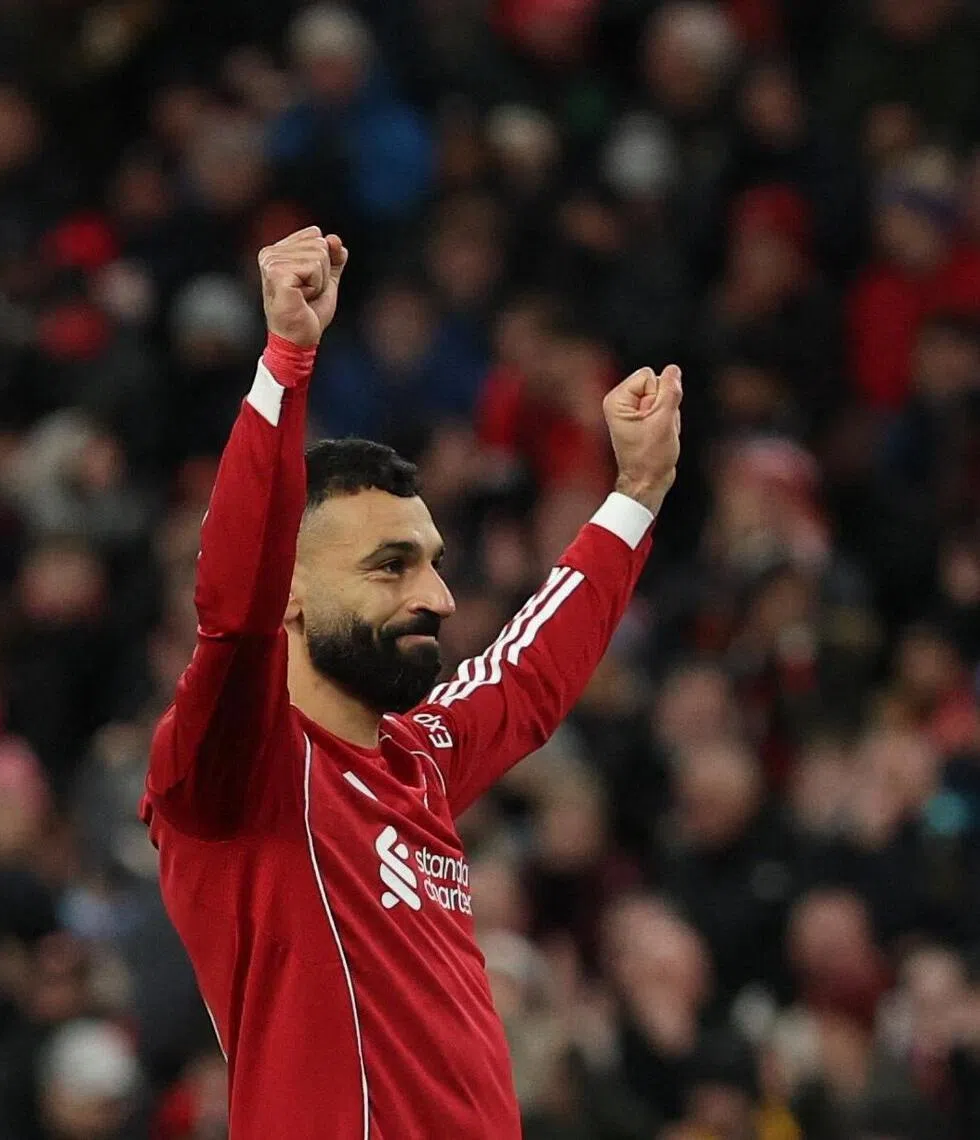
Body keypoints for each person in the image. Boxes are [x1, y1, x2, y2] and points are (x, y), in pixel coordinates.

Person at [140, 226, 682, 1138]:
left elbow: (526, 679)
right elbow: (233, 614)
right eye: (392, 566)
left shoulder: (415, 759)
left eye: (431, 563)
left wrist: (637, 490)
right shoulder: (239, 774)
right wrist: (286, 361)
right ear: (294, 590)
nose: (436, 593)